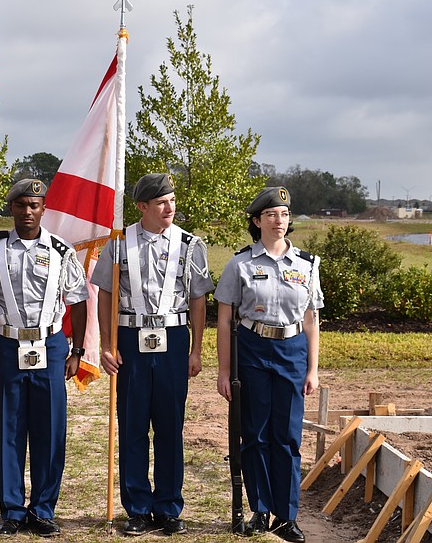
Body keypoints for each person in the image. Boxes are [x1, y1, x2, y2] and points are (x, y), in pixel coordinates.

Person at [0, 178, 88, 538]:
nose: (28, 212)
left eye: (34, 205)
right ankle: (13, 511)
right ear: (11, 209)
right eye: (21, 206)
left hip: (49, 347)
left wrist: (77, 350)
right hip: (7, 346)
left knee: (49, 431)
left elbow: (78, 302)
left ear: (43, 209)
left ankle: (43, 509)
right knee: (9, 431)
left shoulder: (62, 250)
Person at [93, 173, 214, 536]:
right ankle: (138, 508)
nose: (170, 208)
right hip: (131, 338)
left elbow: (198, 299)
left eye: (172, 201)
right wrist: (107, 344)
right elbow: (105, 294)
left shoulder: (190, 245)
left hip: (173, 338)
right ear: (142, 206)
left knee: (169, 427)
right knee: (132, 426)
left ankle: (168, 507)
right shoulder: (118, 244)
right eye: (161, 202)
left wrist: (196, 349)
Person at [214, 186, 323, 543]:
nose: (279, 221)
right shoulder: (240, 263)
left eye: (285, 215)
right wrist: (225, 371)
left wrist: (313, 368)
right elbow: (225, 318)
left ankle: (286, 516)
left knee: (288, 438)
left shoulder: (307, 264)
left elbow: (311, 320)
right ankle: (260, 510)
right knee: (256, 434)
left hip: (292, 350)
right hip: (253, 350)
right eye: (272, 215)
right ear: (257, 221)